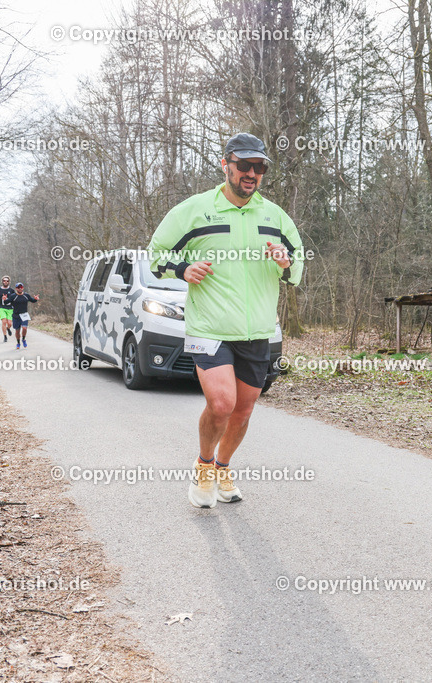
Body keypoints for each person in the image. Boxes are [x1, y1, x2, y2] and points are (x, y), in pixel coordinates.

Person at [147, 132, 303, 508]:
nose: (252, 173)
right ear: (226, 165)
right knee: (221, 404)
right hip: (210, 327)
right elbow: (155, 254)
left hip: (258, 330)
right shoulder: (195, 210)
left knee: (244, 409)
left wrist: (287, 263)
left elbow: (297, 267)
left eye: (259, 167)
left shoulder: (275, 216)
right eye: (244, 166)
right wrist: (183, 268)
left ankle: (222, 467)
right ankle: (203, 469)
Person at [6, 282, 39, 349]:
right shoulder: (13, 296)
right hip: (16, 315)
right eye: (18, 287)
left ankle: (23, 339)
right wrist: (4, 299)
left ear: (23, 288)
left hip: (24, 314)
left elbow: (32, 300)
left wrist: (35, 299)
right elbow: (7, 302)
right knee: (17, 331)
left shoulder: (26, 295)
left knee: (24, 328)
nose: (20, 289)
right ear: (16, 288)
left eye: (21, 287)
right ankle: (18, 343)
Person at [0, 276, 14, 342]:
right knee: (4, 322)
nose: (5, 282)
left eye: (7, 281)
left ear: (9, 282)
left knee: (9, 323)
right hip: (2, 307)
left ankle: (8, 328)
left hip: (10, 308)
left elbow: (14, 299)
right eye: (4, 281)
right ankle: (5, 336)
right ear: (2, 281)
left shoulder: (11, 290)